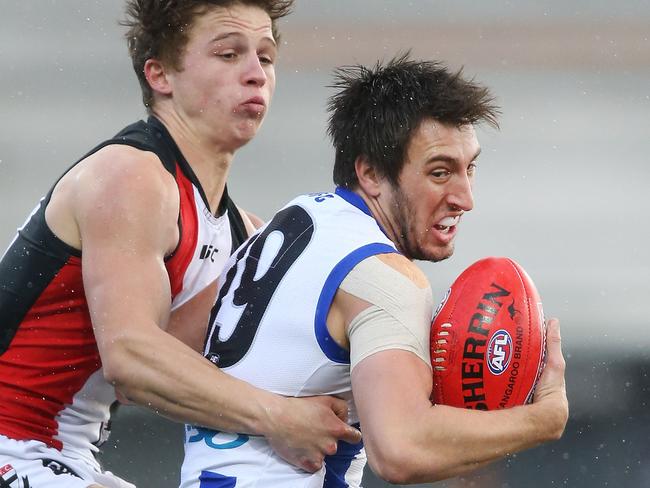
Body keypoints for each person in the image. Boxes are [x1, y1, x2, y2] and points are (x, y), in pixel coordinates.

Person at [0, 1, 361, 487]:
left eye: (266, 57)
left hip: (63, 455)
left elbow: (173, 369)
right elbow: (131, 362)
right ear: (160, 74)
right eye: (229, 54)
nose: (256, 74)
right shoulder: (130, 175)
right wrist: (281, 418)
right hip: (14, 443)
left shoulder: (244, 237)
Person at [179, 53, 569, 487]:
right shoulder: (382, 275)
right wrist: (542, 419)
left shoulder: (289, 222)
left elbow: (172, 347)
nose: (465, 197)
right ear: (371, 174)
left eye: (470, 167)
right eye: (440, 173)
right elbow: (400, 451)